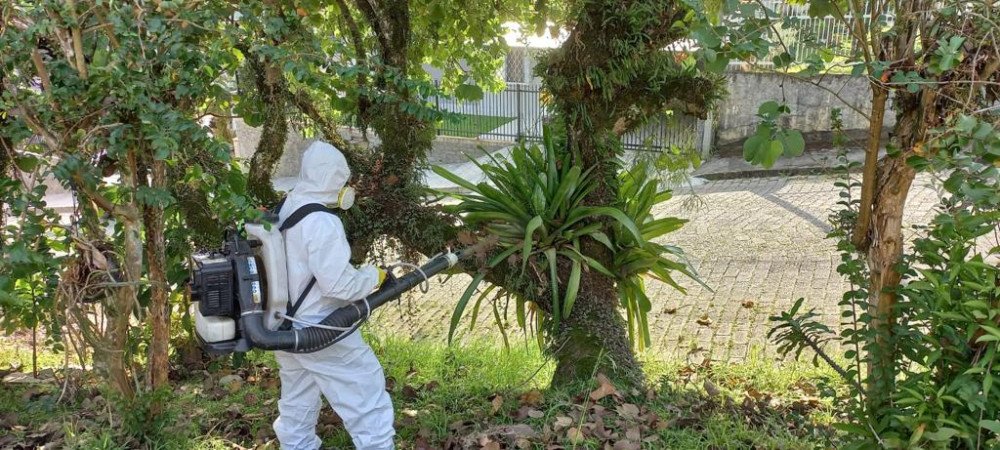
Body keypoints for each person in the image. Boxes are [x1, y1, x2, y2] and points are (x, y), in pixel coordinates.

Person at [272, 141, 395, 450]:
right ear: (335, 182)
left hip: (285, 326)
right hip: (322, 329)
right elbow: (339, 286)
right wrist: (372, 276)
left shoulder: (287, 207)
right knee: (367, 397)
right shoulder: (323, 222)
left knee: (298, 400)